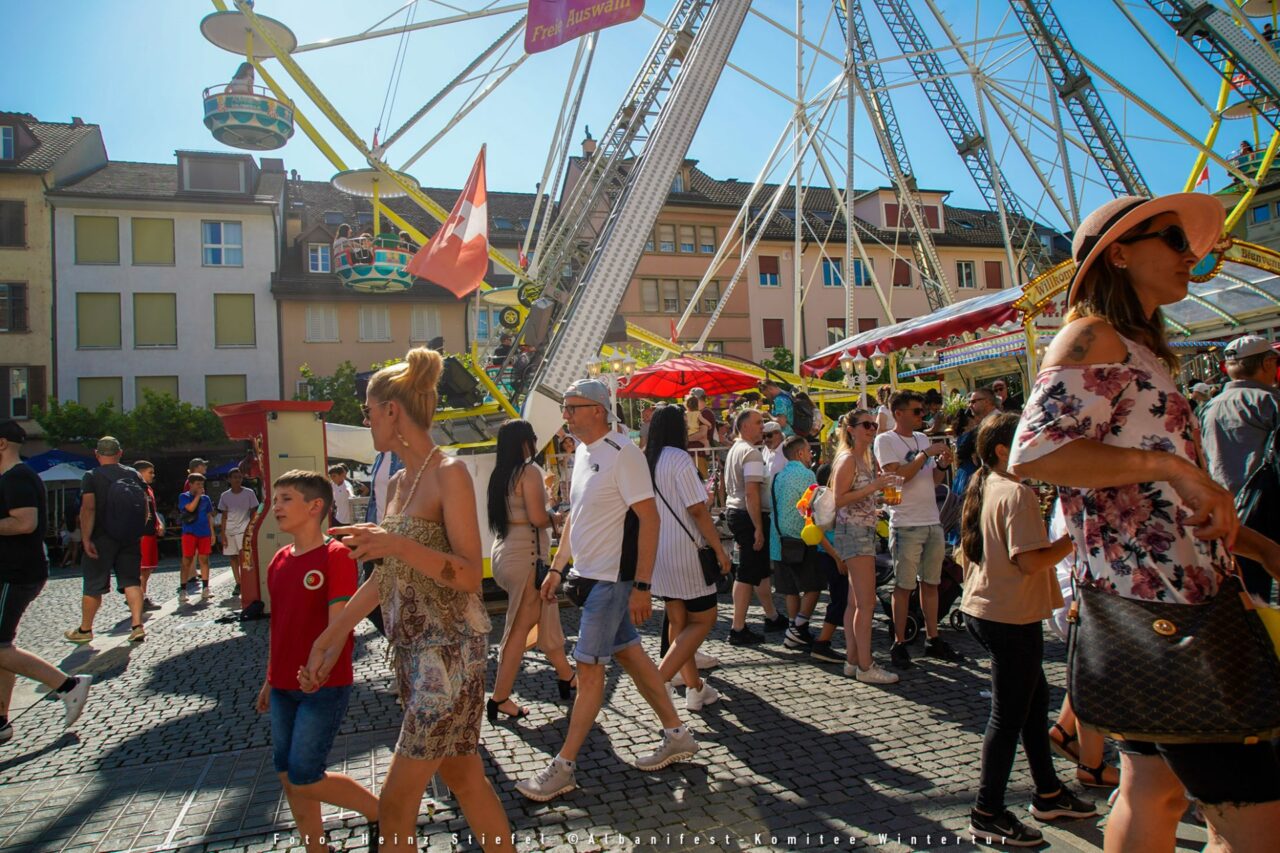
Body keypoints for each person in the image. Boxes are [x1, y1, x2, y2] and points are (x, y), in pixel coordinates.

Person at [1008, 193, 1280, 852]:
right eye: (1174, 239)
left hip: (1164, 602)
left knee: (1153, 789)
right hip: (1163, 611)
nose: (1192, 256)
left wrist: (1259, 547)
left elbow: (1163, 501)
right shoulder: (1091, 336)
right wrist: (1173, 466)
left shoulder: (1139, 350)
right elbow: (1034, 453)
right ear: (1119, 254)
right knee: (1252, 811)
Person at [304, 348, 509, 852]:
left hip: (449, 652)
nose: (366, 420)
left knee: (396, 805)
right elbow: (387, 575)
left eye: (369, 411)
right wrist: (332, 635)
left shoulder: (449, 472)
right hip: (414, 652)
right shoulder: (397, 481)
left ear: (392, 411)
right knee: (463, 777)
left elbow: (469, 574)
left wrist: (395, 543)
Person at [517, 379, 698, 802]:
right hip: (590, 577)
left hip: (612, 581)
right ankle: (677, 735)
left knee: (588, 670)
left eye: (572, 407)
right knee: (631, 656)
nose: (565, 415)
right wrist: (558, 567)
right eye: (564, 408)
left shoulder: (624, 453)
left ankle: (564, 766)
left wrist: (642, 585)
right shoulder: (583, 452)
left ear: (598, 410)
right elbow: (577, 518)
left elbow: (650, 519)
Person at [959, 413, 1096, 844]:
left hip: (994, 608)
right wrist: (1072, 539)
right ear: (1003, 450)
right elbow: (1030, 561)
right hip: (1008, 614)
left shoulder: (988, 483)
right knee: (1008, 717)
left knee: (1033, 707)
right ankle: (987, 812)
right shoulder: (1015, 493)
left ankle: (1048, 792)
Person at [259, 470, 379, 853]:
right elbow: (279, 626)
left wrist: (320, 668)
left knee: (305, 776)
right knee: (286, 774)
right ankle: (316, 847)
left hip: (324, 684)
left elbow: (339, 623)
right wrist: (269, 678)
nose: (276, 507)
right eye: (275, 499)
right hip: (283, 685)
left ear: (315, 507)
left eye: (286, 499)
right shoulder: (278, 560)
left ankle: (381, 812)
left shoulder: (336, 555)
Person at [0, 420, 94, 742]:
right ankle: (1, 720)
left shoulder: (17, 477)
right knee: (3, 647)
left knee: (0, 647)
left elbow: (25, 523)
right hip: (15, 571)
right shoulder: (13, 477)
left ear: (2, 444)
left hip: (15, 572)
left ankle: (68, 685)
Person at [486, 419, 574, 721]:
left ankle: (567, 676)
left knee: (546, 614)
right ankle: (499, 698)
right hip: (527, 557)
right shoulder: (529, 471)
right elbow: (537, 518)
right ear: (525, 442)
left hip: (506, 552)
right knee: (517, 630)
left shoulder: (501, 474)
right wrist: (557, 518)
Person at [644, 405, 731, 708]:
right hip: (686, 549)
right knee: (704, 618)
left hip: (659, 551)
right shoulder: (679, 458)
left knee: (677, 619)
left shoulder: (647, 459)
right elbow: (697, 509)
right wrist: (719, 549)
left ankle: (695, 687)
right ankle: (659, 680)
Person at [874, 391, 961, 668]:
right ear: (898, 413)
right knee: (903, 586)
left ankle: (933, 638)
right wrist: (924, 455)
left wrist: (942, 464)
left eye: (922, 410)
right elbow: (898, 476)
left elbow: (932, 479)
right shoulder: (885, 440)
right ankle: (899, 642)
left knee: (931, 583)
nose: (922, 415)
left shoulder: (922, 438)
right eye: (916, 411)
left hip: (931, 520)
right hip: (906, 522)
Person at [1199, 334, 1279, 602]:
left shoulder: (1209, 406)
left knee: (1250, 596)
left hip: (1227, 515)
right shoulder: (1269, 401)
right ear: (1268, 363)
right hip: (1267, 512)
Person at [830, 411, 900, 684]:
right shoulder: (848, 459)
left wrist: (879, 498)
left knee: (855, 602)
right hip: (855, 533)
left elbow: (856, 497)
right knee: (866, 603)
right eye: (866, 425)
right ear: (851, 429)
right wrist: (874, 487)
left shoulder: (863, 458)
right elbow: (838, 499)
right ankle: (865, 665)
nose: (872, 429)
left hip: (860, 530)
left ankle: (853, 660)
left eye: (874, 425)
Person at [65, 437, 147, 645]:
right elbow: (145, 505)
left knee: (93, 584)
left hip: (101, 538)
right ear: (120, 453)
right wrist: (138, 530)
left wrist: (86, 538)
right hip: (129, 536)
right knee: (131, 581)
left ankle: (85, 629)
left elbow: (88, 508)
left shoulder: (91, 476)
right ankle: (137, 625)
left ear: (97, 454)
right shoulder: (134, 474)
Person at [724, 408, 785, 645]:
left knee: (759, 570)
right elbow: (751, 492)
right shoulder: (750, 453)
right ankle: (737, 628)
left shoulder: (737, 449)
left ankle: (772, 616)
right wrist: (758, 526)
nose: (763, 427)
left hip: (739, 512)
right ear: (745, 426)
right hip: (747, 515)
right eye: (759, 423)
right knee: (747, 572)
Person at [769, 436, 825, 650]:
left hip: (779, 540)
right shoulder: (807, 474)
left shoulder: (778, 476)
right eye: (809, 451)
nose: (811, 455)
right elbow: (814, 505)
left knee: (790, 590)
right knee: (814, 586)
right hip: (802, 538)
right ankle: (798, 628)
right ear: (800, 453)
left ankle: (794, 627)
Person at [217, 469, 260, 599]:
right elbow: (224, 516)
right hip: (230, 529)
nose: (237, 480)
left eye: (239, 477)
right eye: (235, 477)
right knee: (233, 557)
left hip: (244, 529)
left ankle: (248, 581)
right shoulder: (225, 496)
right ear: (229, 479)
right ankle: (238, 582)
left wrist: (252, 528)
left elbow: (254, 511)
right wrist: (223, 534)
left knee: (246, 556)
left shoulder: (249, 493)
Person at [179, 474, 215, 604]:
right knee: (187, 560)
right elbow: (190, 508)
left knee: (204, 560)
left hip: (204, 532)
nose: (200, 486)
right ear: (191, 484)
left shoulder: (206, 499)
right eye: (198, 484)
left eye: (202, 484)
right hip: (189, 532)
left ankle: (206, 587)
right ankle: (183, 589)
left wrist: (212, 532)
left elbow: (209, 515)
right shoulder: (184, 496)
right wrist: (198, 496)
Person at [134, 460, 164, 612]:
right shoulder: (135, 488)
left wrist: (158, 522)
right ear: (140, 473)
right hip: (141, 533)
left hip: (150, 531)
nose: (153, 475)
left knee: (148, 568)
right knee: (142, 568)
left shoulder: (148, 489)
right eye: (150, 472)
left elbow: (152, 509)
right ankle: (139, 597)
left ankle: (141, 595)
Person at [684, 394, 710, 476]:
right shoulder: (698, 413)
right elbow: (704, 421)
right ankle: (708, 455)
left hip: (688, 432)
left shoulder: (685, 414)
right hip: (695, 432)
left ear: (686, 405)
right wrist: (709, 425)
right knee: (705, 442)